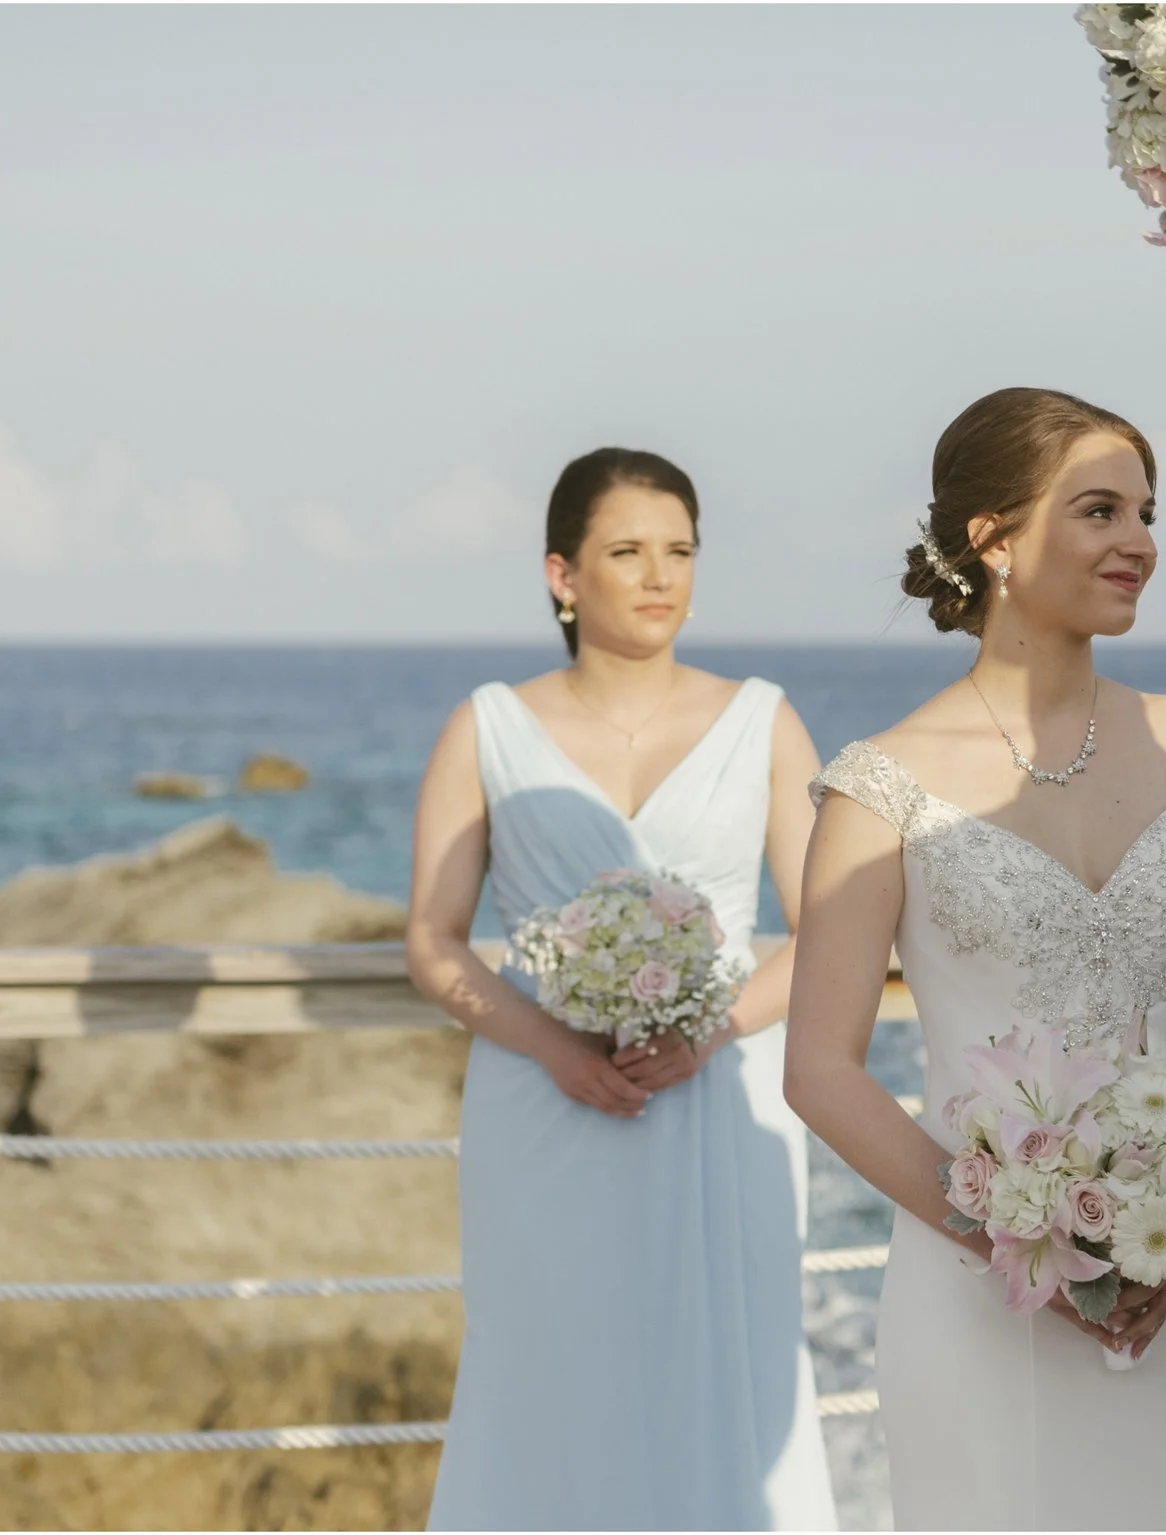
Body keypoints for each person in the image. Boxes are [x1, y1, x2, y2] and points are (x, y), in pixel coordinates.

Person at [784, 387, 1166, 1529]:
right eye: (1100, 510)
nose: (1139, 542)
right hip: (977, 1296)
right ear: (994, 539)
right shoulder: (880, 785)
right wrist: (1024, 1239)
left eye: (1146, 514)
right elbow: (818, 1067)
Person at [405, 447, 836, 1529]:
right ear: (562, 574)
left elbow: (830, 930)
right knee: (549, 1372)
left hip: (719, 1100)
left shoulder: (764, 721)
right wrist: (552, 1046)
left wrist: (709, 1032)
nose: (660, 575)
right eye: (628, 551)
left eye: (679, 550)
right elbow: (433, 942)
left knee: (726, 1368)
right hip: (545, 1107)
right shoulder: (488, 727)